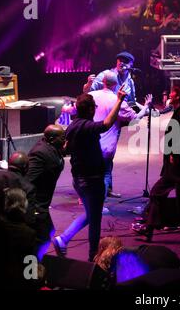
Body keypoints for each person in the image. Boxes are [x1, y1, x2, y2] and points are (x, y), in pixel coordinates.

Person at [52, 87, 127, 262]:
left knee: (92, 213)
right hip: (92, 180)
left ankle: (63, 239)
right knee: (95, 220)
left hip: (78, 179)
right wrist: (119, 101)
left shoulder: (73, 126)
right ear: (91, 109)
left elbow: (65, 149)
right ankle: (93, 257)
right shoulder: (86, 126)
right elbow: (106, 124)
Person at [133, 84, 180, 245]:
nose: (169, 95)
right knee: (157, 193)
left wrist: (174, 153)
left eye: (172, 93)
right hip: (175, 167)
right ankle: (150, 228)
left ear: (178, 96)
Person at [91, 70, 152, 202]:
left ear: (103, 82)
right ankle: (100, 203)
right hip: (107, 145)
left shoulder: (91, 95)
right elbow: (134, 119)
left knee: (93, 171)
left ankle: (97, 196)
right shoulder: (117, 101)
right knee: (105, 173)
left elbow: (76, 108)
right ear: (116, 84)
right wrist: (146, 107)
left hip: (90, 143)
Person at [26, 124, 66, 260]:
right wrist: (32, 206)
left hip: (43, 202)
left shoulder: (53, 148)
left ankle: (35, 264)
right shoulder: (40, 153)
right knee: (43, 235)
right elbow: (28, 180)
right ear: (52, 139)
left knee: (47, 233)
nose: (65, 139)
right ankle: (32, 269)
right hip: (36, 204)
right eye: (62, 137)